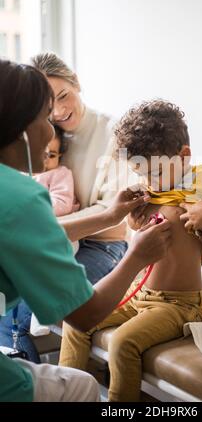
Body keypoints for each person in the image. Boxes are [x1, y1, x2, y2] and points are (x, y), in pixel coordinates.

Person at [59, 99, 202, 402]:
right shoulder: (151, 187)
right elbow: (140, 231)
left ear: (183, 156)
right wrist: (133, 217)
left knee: (123, 343)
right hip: (137, 294)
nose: (145, 181)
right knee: (75, 322)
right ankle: (67, 395)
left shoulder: (199, 180)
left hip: (177, 305)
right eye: (138, 172)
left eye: (152, 173)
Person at [0, 62, 171, 402]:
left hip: (103, 246)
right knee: (82, 386)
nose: (52, 133)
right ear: (20, 129)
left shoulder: (110, 135)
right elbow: (84, 315)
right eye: (44, 118)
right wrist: (138, 255)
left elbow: (29, 235)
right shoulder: (22, 196)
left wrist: (110, 215)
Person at [0, 52, 133, 361]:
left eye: (64, 96)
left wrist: (43, 226)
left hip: (101, 244)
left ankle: (23, 367)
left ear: (78, 84)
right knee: (14, 298)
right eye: (48, 107)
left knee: (29, 300)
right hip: (57, 237)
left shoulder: (115, 134)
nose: (58, 112)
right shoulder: (37, 135)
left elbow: (113, 212)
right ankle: (23, 367)